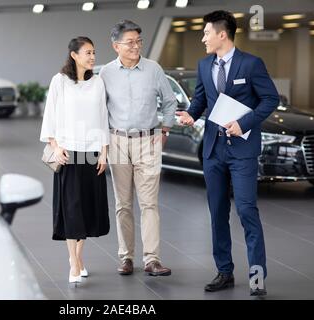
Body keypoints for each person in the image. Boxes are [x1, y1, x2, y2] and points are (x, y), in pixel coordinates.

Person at [178, 10, 279, 296]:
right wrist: (190, 114)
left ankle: (257, 277)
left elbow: (270, 98)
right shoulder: (203, 65)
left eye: (206, 33)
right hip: (212, 150)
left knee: (247, 210)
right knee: (217, 212)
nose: (203, 38)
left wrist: (243, 123)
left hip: (243, 150)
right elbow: (201, 99)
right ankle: (224, 272)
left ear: (222, 34)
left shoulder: (251, 64)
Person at [100, 20, 177, 277]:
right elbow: (100, 110)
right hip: (117, 141)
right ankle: (126, 257)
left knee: (149, 204)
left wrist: (165, 129)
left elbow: (169, 102)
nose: (136, 46)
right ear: (116, 46)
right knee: (123, 204)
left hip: (148, 141)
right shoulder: (106, 74)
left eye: (138, 41)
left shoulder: (154, 69)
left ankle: (152, 259)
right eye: (130, 42)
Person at [40, 37, 110, 284]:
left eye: (94, 52)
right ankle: (73, 262)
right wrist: (54, 145)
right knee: (71, 210)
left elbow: (103, 118)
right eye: (88, 52)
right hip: (67, 153)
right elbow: (50, 115)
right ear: (74, 55)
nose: (92, 57)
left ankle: (77, 258)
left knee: (88, 208)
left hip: (92, 154)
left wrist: (104, 151)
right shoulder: (59, 81)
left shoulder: (98, 82)